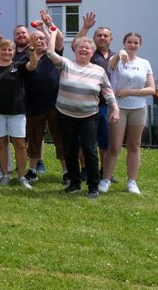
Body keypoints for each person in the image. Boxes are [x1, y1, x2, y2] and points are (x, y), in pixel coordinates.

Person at [42, 23, 119, 198]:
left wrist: (115, 109)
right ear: (75, 50)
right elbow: (50, 53)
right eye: (80, 47)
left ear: (92, 53)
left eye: (87, 48)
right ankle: (75, 183)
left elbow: (108, 92)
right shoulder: (66, 65)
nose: (84, 50)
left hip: (89, 116)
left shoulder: (99, 71)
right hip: (65, 114)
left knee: (90, 150)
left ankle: (93, 186)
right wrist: (52, 33)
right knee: (69, 150)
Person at [101, 32, 154, 195]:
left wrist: (129, 91)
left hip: (138, 108)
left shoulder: (144, 63)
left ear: (140, 45)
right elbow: (112, 64)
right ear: (124, 43)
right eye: (129, 42)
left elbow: (151, 89)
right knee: (115, 146)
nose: (132, 45)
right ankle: (105, 179)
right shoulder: (116, 59)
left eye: (136, 43)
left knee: (134, 145)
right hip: (119, 107)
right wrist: (120, 54)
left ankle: (132, 181)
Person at [21, 11, 67, 184]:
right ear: (30, 42)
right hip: (33, 106)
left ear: (47, 41)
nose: (39, 40)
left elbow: (60, 40)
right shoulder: (27, 57)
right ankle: (32, 171)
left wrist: (49, 25)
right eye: (36, 38)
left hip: (56, 106)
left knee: (60, 140)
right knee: (34, 139)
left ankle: (66, 172)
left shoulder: (53, 56)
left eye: (42, 39)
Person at [0, 14, 33, 188]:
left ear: (14, 52)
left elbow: (33, 65)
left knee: (20, 144)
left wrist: (33, 51)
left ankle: (22, 176)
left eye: (10, 50)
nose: (7, 52)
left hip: (17, 111)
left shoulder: (19, 66)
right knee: (1, 143)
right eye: (4, 49)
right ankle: (4, 175)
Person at [76, 12, 115, 179]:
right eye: (99, 35)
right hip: (87, 103)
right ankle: (85, 168)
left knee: (106, 140)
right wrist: (85, 27)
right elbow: (77, 43)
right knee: (84, 140)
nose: (102, 38)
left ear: (110, 39)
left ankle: (104, 171)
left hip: (107, 105)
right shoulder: (89, 54)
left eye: (105, 35)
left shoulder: (117, 57)